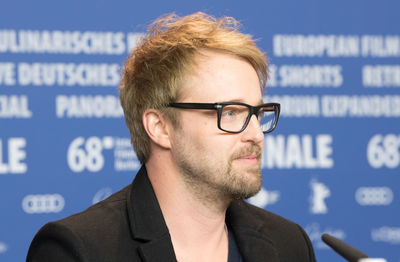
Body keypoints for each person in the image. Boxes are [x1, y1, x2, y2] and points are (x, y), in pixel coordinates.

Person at [27, 12, 316, 262]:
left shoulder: (288, 243)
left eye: (258, 114)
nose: (255, 134)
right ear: (160, 127)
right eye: (230, 113)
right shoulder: (79, 250)